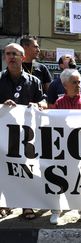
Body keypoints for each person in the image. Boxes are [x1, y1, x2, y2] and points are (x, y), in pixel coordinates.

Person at [0, 43, 47, 220]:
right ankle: (3, 204)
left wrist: (38, 105)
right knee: (3, 169)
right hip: (3, 136)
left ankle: (27, 205)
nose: (11, 57)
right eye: (8, 54)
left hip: (26, 136)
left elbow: (44, 102)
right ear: (5, 57)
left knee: (26, 169)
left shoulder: (34, 81)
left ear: (23, 58)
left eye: (15, 54)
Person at [49, 69, 81, 225]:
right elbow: (51, 124)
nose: (78, 85)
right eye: (74, 82)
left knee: (79, 180)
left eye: (79, 82)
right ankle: (56, 210)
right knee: (59, 179)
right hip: (62, 149)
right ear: (65, 85)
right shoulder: (59, 103)